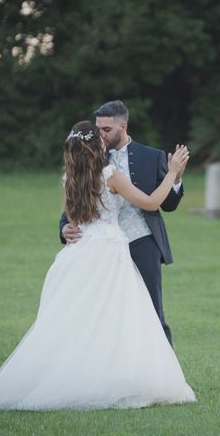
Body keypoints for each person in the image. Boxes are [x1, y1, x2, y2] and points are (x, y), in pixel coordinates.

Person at [0, 121, 195, 410]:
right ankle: (118, 380)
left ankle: (78, 378)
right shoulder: (110, 175)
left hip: (80, 256)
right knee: (121, 318)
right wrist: (172, 173)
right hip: (109, 254)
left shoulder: (69, 178)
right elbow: (150, 202)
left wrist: (68, 228)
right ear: (99, 145)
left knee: (82, 320)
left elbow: (75, 217)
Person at [60, 100, 182, 345]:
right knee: (103, 314)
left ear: (123, 126)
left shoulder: (152, 156)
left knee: (151, 311)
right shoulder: (89, 156)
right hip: (100, 248)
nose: (100, 135)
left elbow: (167, 204)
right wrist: (64, 227)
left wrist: (175, 178)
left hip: (141, 241)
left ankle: (163, 370)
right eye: (98, 129)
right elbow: (75, 205)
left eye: (106, 130)